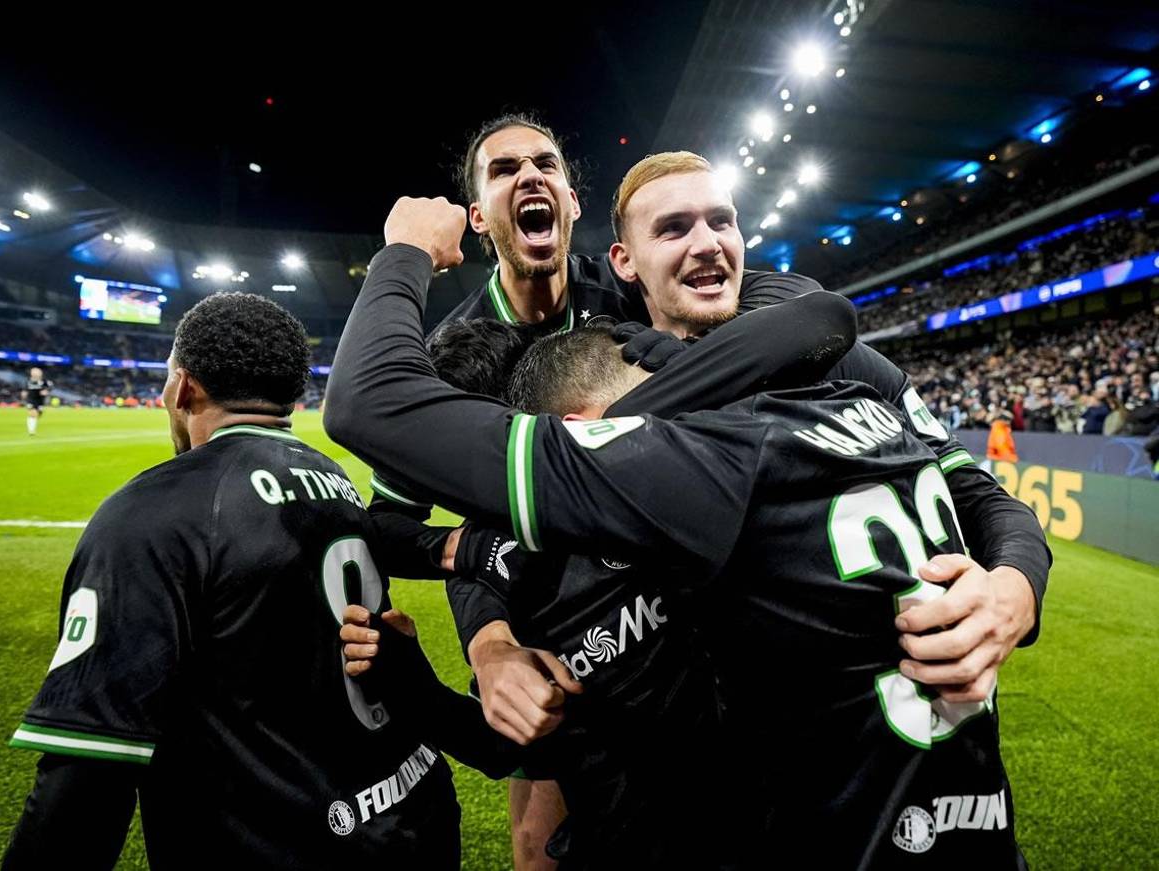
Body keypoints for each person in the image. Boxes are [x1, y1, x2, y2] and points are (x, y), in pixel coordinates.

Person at [324, 200, 1026, 867]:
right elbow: (549, 743)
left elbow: (824, 315)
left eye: (721, 220)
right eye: (674, 226)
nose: (704, 242)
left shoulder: (686, 478)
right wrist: (453, 649)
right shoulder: (560, 554)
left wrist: (407, 249)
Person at [3, 292, 513, 870]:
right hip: (412, 810)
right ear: (292, 394)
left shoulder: (151, 511)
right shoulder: (334, 479)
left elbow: (87, 780)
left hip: (288, 845)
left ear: (183, 387)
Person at [23, 366, 52, 435]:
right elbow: (25, 388)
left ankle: (32, 428)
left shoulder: (44, 381)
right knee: (32, 413)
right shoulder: (28, 381)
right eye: (34, 372)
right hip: (31, 399)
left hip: (40, 400)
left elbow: (51, 386)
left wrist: (46, 391)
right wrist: (24, 393)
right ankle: (31, 431)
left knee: (38, 415)